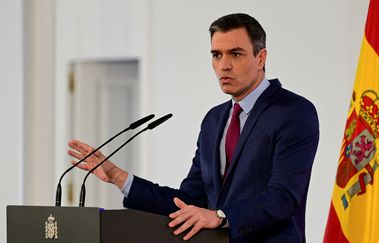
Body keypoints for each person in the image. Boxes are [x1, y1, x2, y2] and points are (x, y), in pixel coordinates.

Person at [68, 13, 319, 243]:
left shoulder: (293, 112)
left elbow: (284, 196)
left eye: (236, 54)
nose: (224, 66)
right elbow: (190, 201)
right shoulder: (214, 120)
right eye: (216, 55)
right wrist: (120, 178)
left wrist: (221, 215)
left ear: (261, 57)